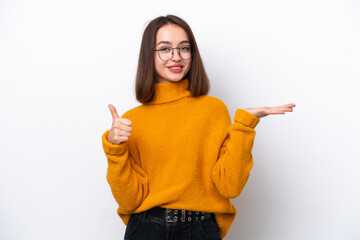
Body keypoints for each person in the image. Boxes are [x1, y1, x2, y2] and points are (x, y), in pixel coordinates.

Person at [101, 15, 296, 240]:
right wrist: (114, 148)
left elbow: (230, 187)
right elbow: (129, 200)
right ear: (149, 55)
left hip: (200, 229)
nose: (176, 57)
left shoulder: (213, 110)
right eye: (165, 49)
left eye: (184, 48)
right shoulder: (131, 121)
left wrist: (244, 126)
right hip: (145, 230)